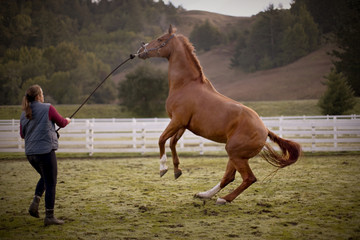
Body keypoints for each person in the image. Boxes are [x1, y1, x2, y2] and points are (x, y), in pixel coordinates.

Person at [20, 85, 70, 226]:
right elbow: (61, 122)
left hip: (31, 154)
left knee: (45, 177)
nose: (43, 96)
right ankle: (49, 216)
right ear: (38, 97)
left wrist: (49, 132)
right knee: (51, 183)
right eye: (42, 93)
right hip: (45, 152)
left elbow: (22, 134)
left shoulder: (24, 113)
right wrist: (68, 120)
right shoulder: (48, 108)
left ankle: (35, 202)